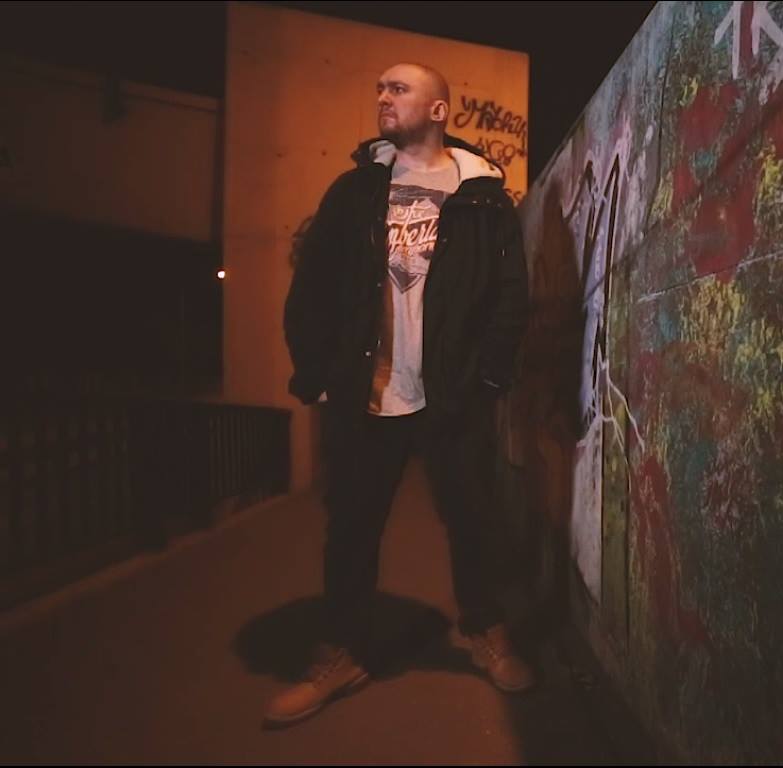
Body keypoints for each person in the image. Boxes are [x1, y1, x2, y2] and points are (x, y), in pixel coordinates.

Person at [266, 62, 532, 727]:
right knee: (352, 527)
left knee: (471, 519)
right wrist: (316, 372)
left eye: (398, 88)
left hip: (451, 393)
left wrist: (488, 378)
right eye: (379, 88)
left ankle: (485, 631)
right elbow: (312, 287)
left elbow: (509, 297)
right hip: (368, 393)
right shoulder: (354, 192)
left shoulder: (483, 198)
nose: (383, 97)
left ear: (438, 109)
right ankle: (341, 652)